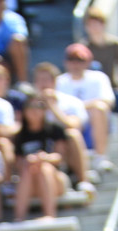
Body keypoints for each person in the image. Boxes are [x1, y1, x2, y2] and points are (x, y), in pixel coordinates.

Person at [32, 61, 95, 197]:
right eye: (39, 79)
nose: (43, 83)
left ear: (55, 81)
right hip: (42, 149)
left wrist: (52, 107)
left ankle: (83, 180)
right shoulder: (30, 104)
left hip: (67, 150)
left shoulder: (72, 102)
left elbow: (74, 125)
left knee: (72, 134)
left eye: (46, 79)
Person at [56, 43, 115, 175]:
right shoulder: (59, 81)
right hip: (69, 121)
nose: (76, 64)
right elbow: (56, 107)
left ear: (88, 62)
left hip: (92, 119)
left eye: (80, 60)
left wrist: (78, 107)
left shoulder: (99, 78)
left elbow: (108, 101)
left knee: (99, 109)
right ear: (65, 62)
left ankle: (100, 157)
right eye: (72, 60)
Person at [82, 5, 118, 136]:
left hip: (115, 91)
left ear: (103, 25)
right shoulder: (83, 48)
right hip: (95, 95)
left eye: (97, 24)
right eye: (91, 24)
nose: (94, 28)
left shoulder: (116, 44)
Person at [11, 91, 70, 222]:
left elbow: (60, 158)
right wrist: (29, 161)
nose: (35, 111)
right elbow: (17, 164)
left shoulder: (55, 129)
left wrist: (44, 158)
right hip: (30, 181)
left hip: (56, 180)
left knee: (44, 167)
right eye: (31, 107)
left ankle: (49, 214)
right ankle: (19, 216)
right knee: (28, 168)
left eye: (39, 107)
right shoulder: (20, 136)